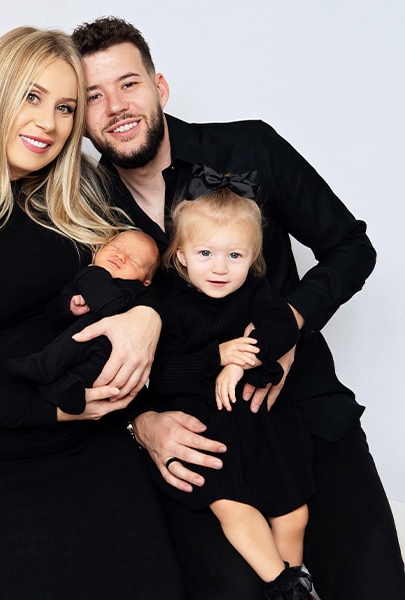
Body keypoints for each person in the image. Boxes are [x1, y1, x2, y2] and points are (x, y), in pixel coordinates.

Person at [71, 16, 405, 600]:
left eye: (128, 84)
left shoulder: (250, 147)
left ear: (160, 87)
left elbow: (352, 247)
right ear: (79, 118)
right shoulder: (78, 211)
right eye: (93, 96)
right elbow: (80, 345)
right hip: (199, 445)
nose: (115, 106)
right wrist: (139, 422)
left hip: (303, 411)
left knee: (373, 584)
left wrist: (289, 325)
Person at [0, 27, 184, 599]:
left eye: (66, 107)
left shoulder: (82, 202)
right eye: (32, 96)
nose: (48, 122)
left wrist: (149, 315)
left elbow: (156, 275)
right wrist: (49, 414)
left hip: (93, 459)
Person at [150, 186, 315, 599]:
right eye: (206, 253)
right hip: (211, 430)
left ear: (252, 260)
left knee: (294, 514)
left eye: (235, 256)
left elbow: (284, 328)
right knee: (235, 510)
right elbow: (162, 375)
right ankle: (284, 586)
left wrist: (239, 363)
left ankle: (294, 579)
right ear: (182, 255)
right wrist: (216, 357)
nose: (220, 268)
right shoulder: (170, 304)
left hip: (263, 427)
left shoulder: (256, 293)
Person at [5, 229, 160, 415]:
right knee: (66, 379)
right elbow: (52, 315)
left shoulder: (132, 289)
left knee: (84, 349)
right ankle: (60, 390)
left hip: (106, 357)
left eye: (134, 261)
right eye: (116, 248)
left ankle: (45, 368)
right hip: (72, 352)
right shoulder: (78, 280)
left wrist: (92, 272)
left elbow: (109, 305)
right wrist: (68, 306)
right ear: (99, 249)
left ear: (145, 282)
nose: (120, 257)